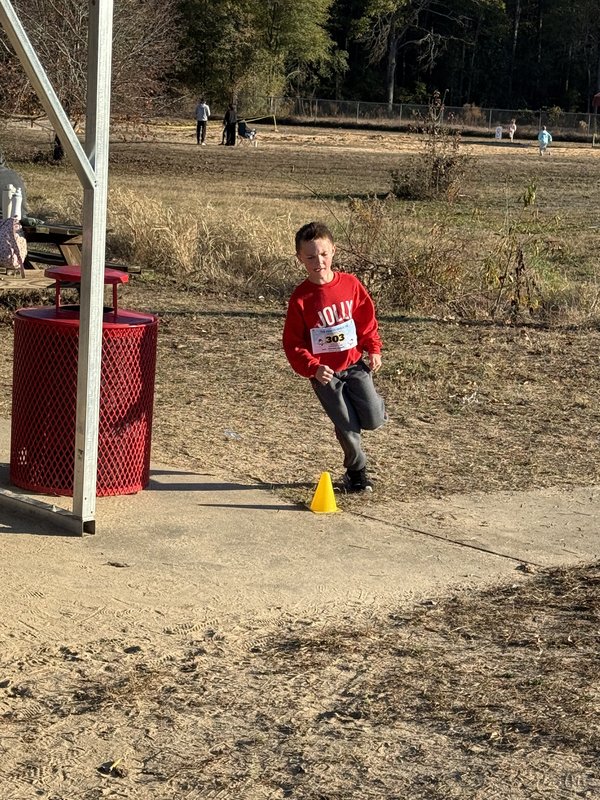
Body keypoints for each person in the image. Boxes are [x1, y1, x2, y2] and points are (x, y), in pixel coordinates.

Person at [282, 221, 387, 493]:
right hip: (325, 376)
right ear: (300, 259)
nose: (319, 262)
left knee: (373, 419)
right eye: (310, 257)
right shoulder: (301, 299)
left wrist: (373, 348)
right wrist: (313, 368)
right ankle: (357, 472)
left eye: (324, 254)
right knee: (347, 424)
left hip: (354, 365)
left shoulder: (350, 285)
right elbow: (293, 344)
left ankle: (373, 404)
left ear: (333, 251)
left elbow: (366, 320)